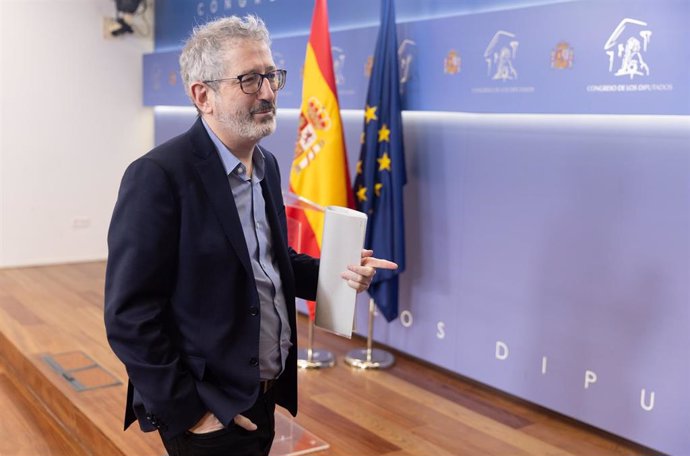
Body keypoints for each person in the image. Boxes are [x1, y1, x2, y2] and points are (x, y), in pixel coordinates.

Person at [103, 14, 397, 456]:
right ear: (203, 95)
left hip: (261, 393)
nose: (268, 92)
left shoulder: (265, 164)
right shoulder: (158, 177)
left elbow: (270, 262)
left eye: (271, 76)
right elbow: (129, 316)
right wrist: (191, 414)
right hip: (207, 410)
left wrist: (339, 272)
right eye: (249, 80)